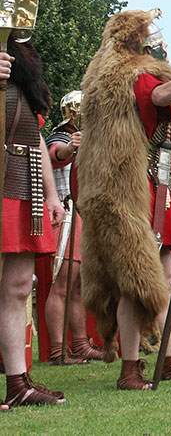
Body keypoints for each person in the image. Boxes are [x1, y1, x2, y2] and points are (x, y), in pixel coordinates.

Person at [77, 9, 171, 389]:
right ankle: (130, 369)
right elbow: (159, 93)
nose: (162, 45)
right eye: (154, 39)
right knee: (136, 276)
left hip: (142, 181)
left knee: (162, 267)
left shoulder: (103, 80)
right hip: (131, 185)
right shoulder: (134, 75)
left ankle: (169, 357)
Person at [1, 36, 66, 407]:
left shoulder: (23, 67)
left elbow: (34, 136)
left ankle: (17, 382)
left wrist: (52, 195)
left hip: (22, 185)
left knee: (18, 286)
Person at [44, 90, 104, 363]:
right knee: (62, 283)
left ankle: (79, 344)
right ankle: (58, 349)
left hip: (80, 214)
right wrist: (72, 146)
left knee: (77, 284)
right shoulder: (61, 136)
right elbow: (56, 154)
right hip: (64, 214)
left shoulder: (88, 137)